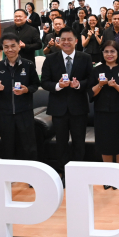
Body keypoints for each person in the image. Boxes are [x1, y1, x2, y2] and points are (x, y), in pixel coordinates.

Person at [40, 27, 92, 182]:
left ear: (76, 41)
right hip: (58, 108)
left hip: (79, 107)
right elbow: (44, 82)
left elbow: (91, 80)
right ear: (59, 41)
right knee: (61, 143)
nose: (66, 42)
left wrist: (78, 85)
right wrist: (58, 86)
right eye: (63, 39)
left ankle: (78, 173)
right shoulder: (50, 59)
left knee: (79, 142)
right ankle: (64, 173)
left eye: (70, 39)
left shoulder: (85, 58)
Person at [0, 32, 40, 161]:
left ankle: (30, 171)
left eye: (13, 46)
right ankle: (9, 172)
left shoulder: (28, 65)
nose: (9, 49)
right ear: (3, 48)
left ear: (19, 46)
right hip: (5, 114)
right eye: (6, 47)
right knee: (7, 146)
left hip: (24, 112)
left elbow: (35, 85)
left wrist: (27, 90)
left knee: (28, 146)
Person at [89, 40, 119, 188]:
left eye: (112, 51)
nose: (109, 54)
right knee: (105, 143)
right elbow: (90, 94)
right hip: (102, 113)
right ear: (102, 53)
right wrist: (100, 85)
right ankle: (108, 177)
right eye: (106, 51)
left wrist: (115, 86)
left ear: (118, 53)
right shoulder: (96, 70)